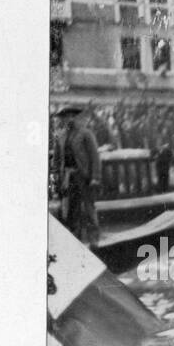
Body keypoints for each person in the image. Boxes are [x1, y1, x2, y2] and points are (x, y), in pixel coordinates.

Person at [55, 104, 100, 246]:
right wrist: (58, 178)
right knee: (72, 211)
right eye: (65, 117)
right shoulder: (60, 137)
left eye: (71, 116)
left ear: (75, 117)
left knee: (88, 209)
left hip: (84, 177)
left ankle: (94, 241)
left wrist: (95, 177)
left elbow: (95, 157)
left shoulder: (85, 134)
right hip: (68, 178)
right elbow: (57, 161)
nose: (68, 119)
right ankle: (77, 242)